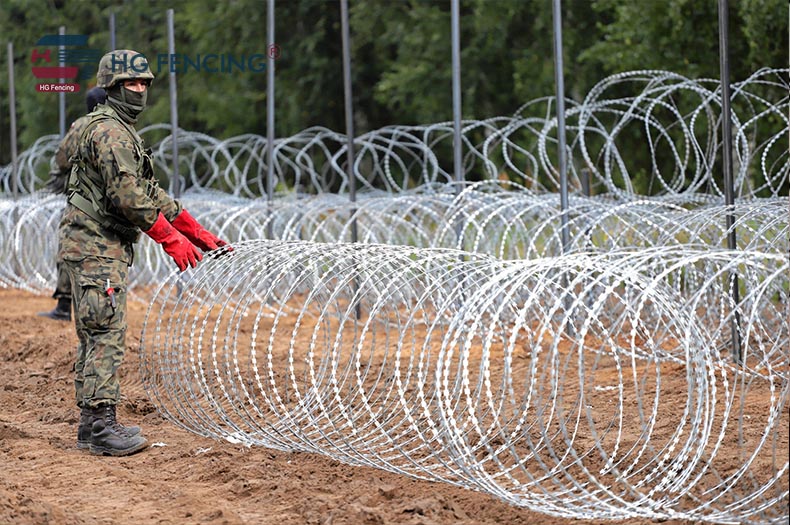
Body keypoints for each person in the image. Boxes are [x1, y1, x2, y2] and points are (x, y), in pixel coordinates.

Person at [59, 49, 231, 456]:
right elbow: (129, 197)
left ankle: (92, 425)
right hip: (96, 246)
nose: (138, 90)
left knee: (97, 332)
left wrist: (195, 231)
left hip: (97, 244)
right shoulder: (111, 133)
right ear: (112, 87)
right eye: (130, 84)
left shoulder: (116, 128)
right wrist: (170, 240)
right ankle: (100, 427)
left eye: (143, 84)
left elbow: (149, 191)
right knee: (104, 334)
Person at [38, 87, 108, 322]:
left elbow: (61, 157)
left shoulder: (82, 126)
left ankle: (65, 305)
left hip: (83, 200)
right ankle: (104, 305)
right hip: (112, 201)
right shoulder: (119, 125)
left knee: (70, 248)